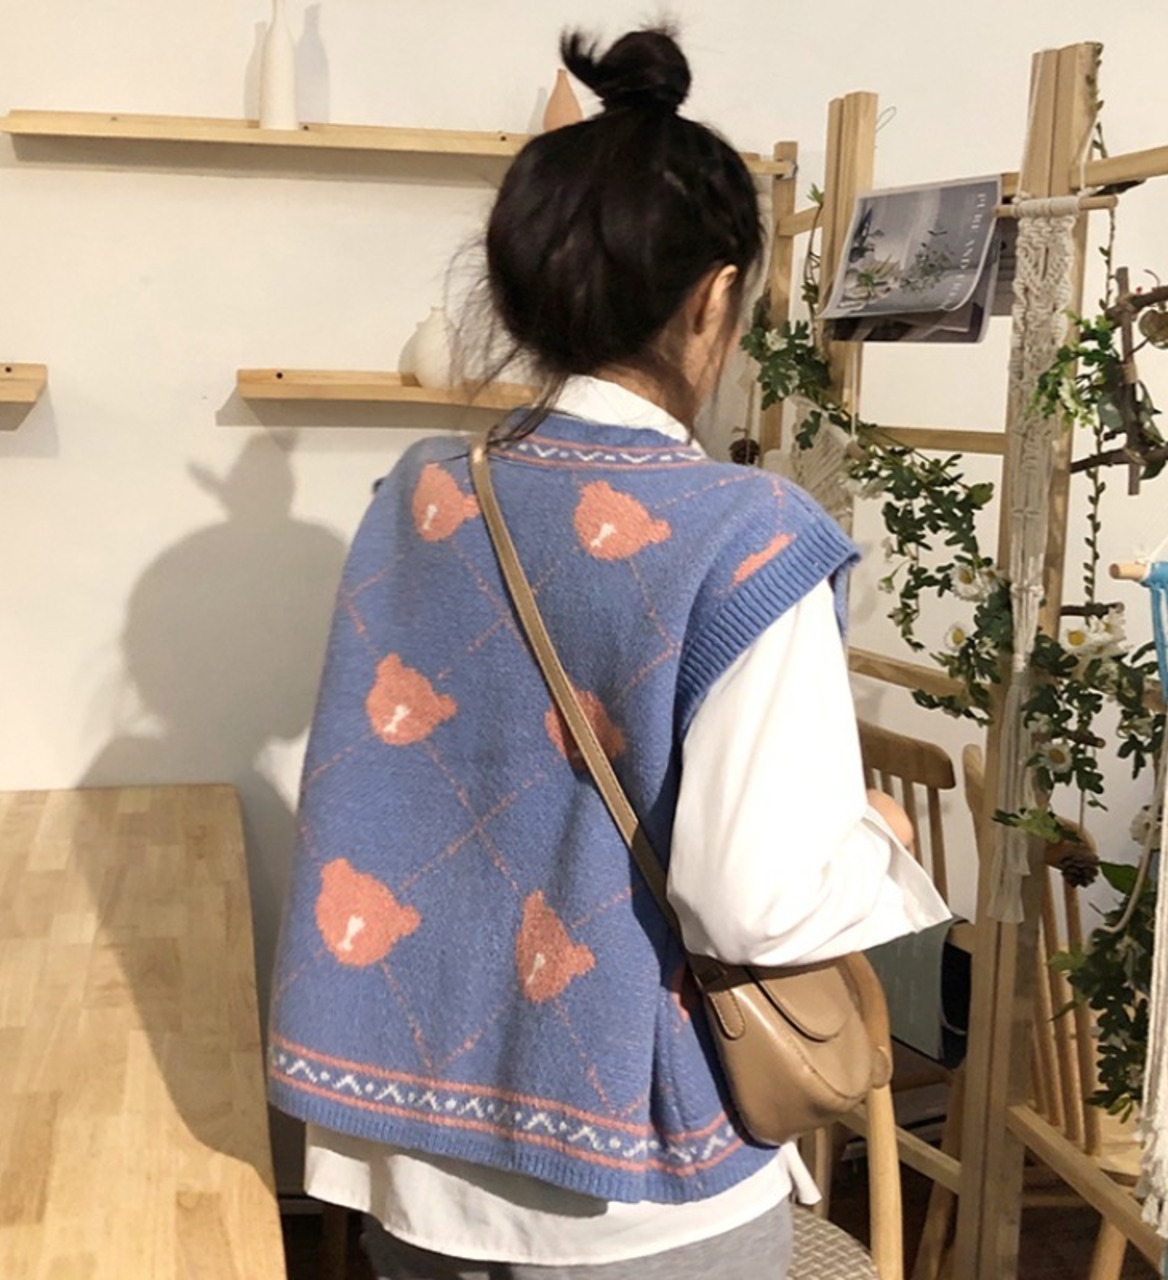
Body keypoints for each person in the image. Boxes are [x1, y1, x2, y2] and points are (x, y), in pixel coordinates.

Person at [267, 25, 949, 1280]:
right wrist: (878, 845)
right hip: (630, 1185)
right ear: (715, 296)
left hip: (405, 1152)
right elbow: (755, 899)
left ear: (516, 291)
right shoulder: (746, 536)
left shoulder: (419, 491)